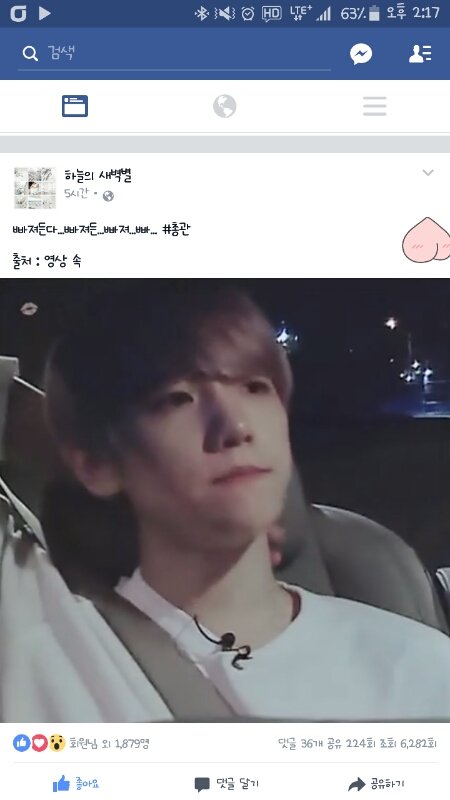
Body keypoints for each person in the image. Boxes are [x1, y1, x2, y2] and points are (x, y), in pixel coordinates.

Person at [36, 284, 450, 719]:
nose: (235, 426)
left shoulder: (416, 665)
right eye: (176, 399)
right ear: (96, 464)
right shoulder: (55, 666)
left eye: (254, 388)